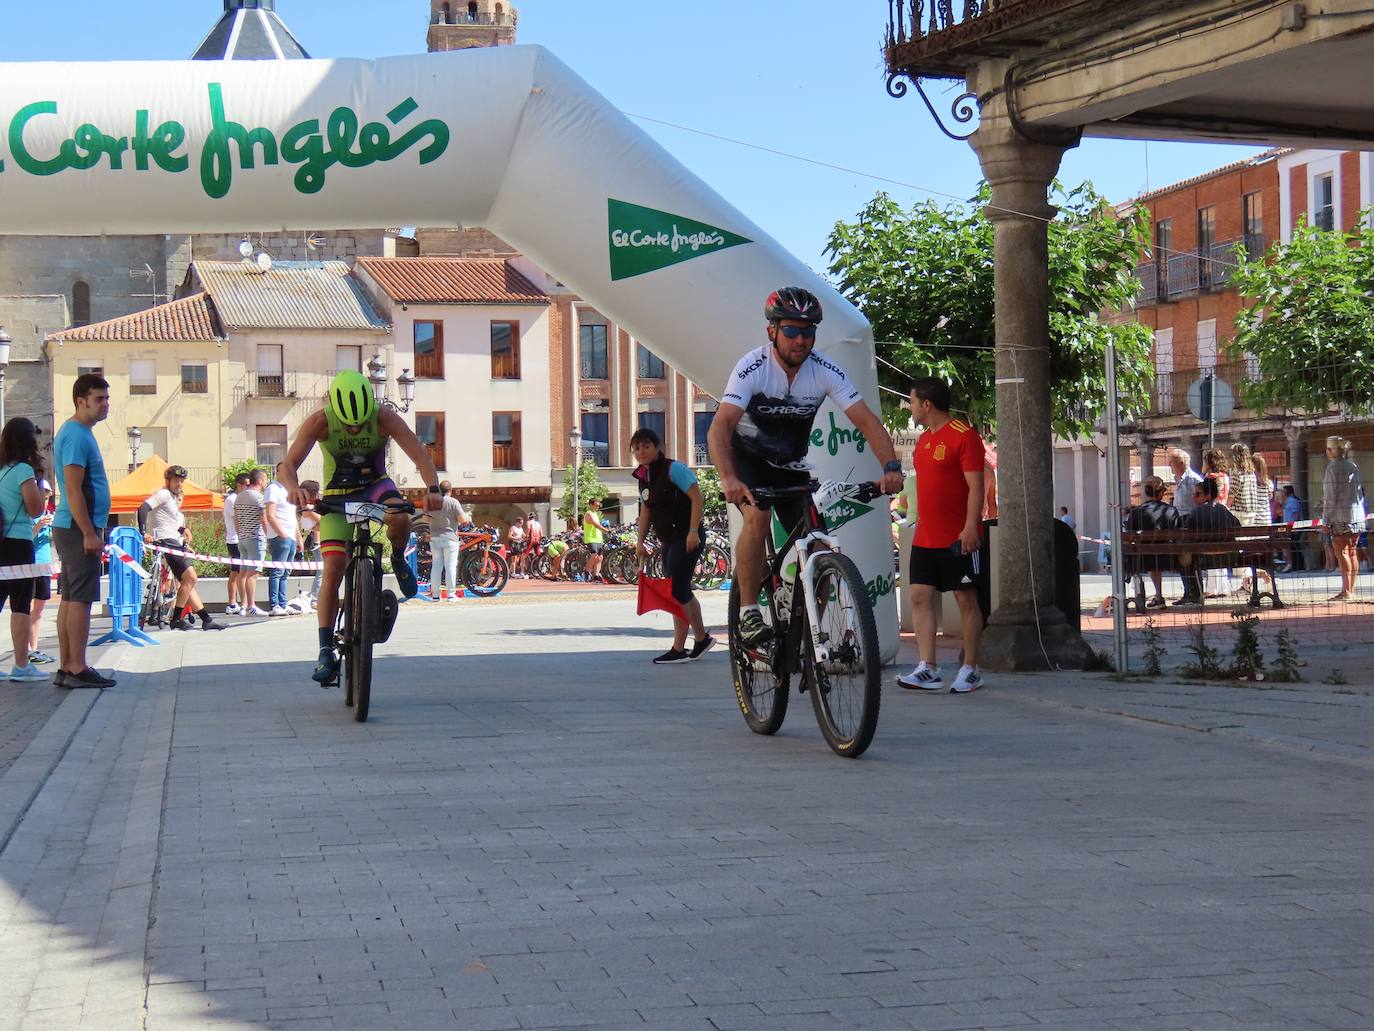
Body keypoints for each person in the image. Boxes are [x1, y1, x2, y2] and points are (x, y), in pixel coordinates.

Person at [707, 287, 904, 646]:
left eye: (808, 331)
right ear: (772, 331)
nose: (801, 340)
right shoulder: (752, 366)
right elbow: (720, 427)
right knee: (758, 517)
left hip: (789, 465)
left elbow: (867, 422)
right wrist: (728, 478)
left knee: (820, 548)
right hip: (746, 462)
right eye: (792, 331)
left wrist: (890, 466)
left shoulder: (824, 370)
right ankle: (749, 611)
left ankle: (800, 625)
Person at [279, 369, 440, 686]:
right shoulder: (320, 421)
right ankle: (325, 649)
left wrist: (433, 487)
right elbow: (287, 465)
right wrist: (292, 488)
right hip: (338, 493)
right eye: (348, 424)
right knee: (334, 567)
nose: (354, 428)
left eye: (360, 422)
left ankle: (395, 555)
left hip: (376, 486)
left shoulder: (384, 417)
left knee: (401, 515)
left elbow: (419, 453)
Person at [896, 378, 987, 694]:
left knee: (965, 600)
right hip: (925, 537)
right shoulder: (922, 442)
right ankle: (927, 668)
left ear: (926, 405)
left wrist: (970, 527)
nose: (909, 407)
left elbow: (978, 486)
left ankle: (970, 669)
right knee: (919, 596)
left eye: (911, 401)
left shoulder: (965, 436)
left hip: (958, 537)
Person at [52, 374, 116, 689]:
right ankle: (76, 666)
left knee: (71, 597)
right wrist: (90, 533)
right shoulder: (77, 435)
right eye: (99, 399)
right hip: (78, 529)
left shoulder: (76, 432)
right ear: (81, 401)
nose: (106, 404)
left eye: (107, 398)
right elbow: (74, 490)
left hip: (72, 527)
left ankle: (67, 666)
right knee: (80, 599)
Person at [631, 427, 714, 664]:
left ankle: (680, 648)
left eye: (646, 446)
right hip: (668, 540)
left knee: (676, 592)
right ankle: (701, 639)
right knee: (681, 590)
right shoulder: (643, 477)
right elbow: (646, 511)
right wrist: (640, 542)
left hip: (686, 537)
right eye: (637, 447)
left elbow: (697, 496)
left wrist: (692, 531)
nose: (641, 451)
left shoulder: (673, 468)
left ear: (657, 447)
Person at [138, 464, 222, 630]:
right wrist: (143, 533)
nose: (179, 484)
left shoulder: (173, 500)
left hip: (174, 541)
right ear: (168, 480)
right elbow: (143, 508)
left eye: (182, 481)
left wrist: (184, 529)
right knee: (190, 578)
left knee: (186, 583)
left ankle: (206, 619)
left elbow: (169, 522)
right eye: (176, 480)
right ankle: (176, 618)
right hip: (166, 541)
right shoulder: (163, 494)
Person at [0, 418, 49, 681]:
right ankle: (21, 665)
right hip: (18, 543)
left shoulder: (0, 470)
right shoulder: (22, 471)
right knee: (20, 605)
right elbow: (36, 509)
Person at [1177, 477, 1241, 605]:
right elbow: (1237, 527)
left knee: (1183, 556)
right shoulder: (1224, 510)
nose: (1193, 497)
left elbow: (1188, 534)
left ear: (1208, 495)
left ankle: (1194, 594)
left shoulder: (1195, 513)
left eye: (1197, 494)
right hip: (1229, 558)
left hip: (1202, 559)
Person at [1123, 475, 1181, 608]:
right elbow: (1178, 533)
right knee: (1156, 556)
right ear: (1161, 493)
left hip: (1143, 559)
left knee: (1141, 554)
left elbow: (1128, 536)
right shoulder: (1171, 511)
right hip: (1170, 558)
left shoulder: (1138, 512)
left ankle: (1154, 596)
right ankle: (1158, 595)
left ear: (1145, 492)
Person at [1321, 435, 1364, 602]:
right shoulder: (1352, 466)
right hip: (1357, 514)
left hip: (1340, 516)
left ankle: (1346, 591)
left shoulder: (1332, 468)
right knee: (1352, 552)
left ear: (1332, 450)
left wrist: (1326, 521)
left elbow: (1330, 498)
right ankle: (1350, 589)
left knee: (1341, 552)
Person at [264, 464, 300, 616]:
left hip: (290, 537)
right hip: (280, 537)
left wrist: (299, 538)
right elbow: (270, 515)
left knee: (285, 572)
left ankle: (283, 604)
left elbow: (293, 517)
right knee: (277, 572)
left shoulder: (288, 491)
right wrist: (282, 534)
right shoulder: (273, 489)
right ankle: (275, 605)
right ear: (278, 472)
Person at [27, 480, 56, 666]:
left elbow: (54, 542)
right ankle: (28, 649)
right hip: (29, 565)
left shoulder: (49, 515)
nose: (44, 503)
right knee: (27, 608)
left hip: (45, 564)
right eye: (42, 498)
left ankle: (34, 647)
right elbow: (25, 538)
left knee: (38, 611)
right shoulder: (28, 516)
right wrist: (38, 527)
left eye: (46, 499)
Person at [234, 468, 268, 617]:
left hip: (242, 539)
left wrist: (240, 534)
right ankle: (251, 605)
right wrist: (269, 537)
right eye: (265, 479)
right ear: (260, 480)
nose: (266, 482)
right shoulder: (259, 498)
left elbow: (235, 519)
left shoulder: (239, 497)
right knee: (253, 574)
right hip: (256, 538)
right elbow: (264, 520)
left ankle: (245, 604)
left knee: (244, 573)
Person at [427, 480, 468, 601]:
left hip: (434, 537)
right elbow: (462, 519)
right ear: (450, 490)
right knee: (450, 565)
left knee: (436, 565)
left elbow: (426, 519)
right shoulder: (453, 502)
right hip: (450, 537)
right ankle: (450, 594)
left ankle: (435, 595)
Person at [223, 472, 249, 615]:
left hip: (238, 539)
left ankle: (233, 603)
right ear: (239, 485)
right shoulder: (233, 499)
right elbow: (240, 517)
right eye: (246, 485)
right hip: (235, 540)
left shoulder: (237, 499)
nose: (248, 488)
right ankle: (235, 603)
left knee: (237, 572)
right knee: (238, 572)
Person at [297, 480, 323, 609]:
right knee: (322, 571)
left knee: (322, 571)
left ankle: (316, 598)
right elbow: (320, 522)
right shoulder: (307, 508)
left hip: (318, 540)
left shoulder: (309, 507)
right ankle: (315, 599)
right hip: (317, 542)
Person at [1168, 449, 1203, 522]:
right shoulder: (1179, 479)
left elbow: (1202, 503)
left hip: (1191, 522)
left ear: (1181, 463)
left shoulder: (1195, 480)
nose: (1169, 464)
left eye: (1171, 462)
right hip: (1179, 521)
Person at [1228, 443, 1258, 527]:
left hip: (1239, 512)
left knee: (1239, 538)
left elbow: (1232, 495)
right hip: (1251, 511)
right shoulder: (1252, 474)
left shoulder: (1237, 474)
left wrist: (1225, 508)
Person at [583, 499, 609, 582]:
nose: (598, 507)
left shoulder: (595, 514)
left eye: (598, 506)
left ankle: (596, 575)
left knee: (600, 557)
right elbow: (595, 524)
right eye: (596, 505)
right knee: (594, 555)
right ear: (591, 505)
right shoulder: (588, 514)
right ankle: (587, 571)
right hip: (591, 538)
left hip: (598, 538)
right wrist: (605, 530)